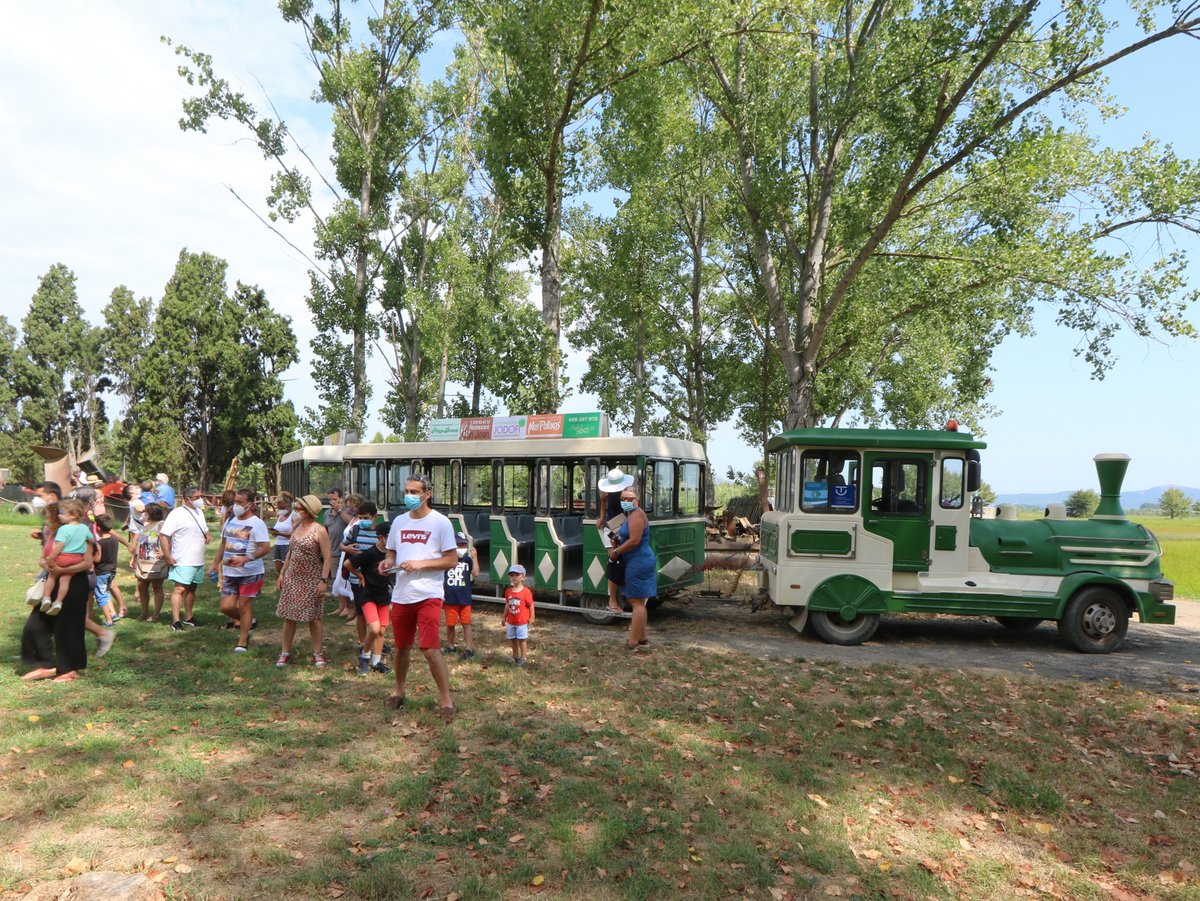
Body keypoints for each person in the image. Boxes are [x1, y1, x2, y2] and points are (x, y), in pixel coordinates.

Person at [379, 474, 458, 722]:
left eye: (415, 492)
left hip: (429, 594)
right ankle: (399, 692)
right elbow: (391, 549)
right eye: (407, 491)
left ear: (427, 494)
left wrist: (420, 564)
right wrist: (388, 561)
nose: (409, 496)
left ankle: (446, 700)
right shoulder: (400, 522)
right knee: (401, 647)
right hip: (402, 595)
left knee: (430, 648)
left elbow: (451, 560)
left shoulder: (441, 523)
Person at [274, 494, 332, 668]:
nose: (296, 510)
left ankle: (317, 653)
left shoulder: (319, 530)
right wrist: (282, 572)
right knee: (289, 615)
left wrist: (323, 580)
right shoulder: (296, 525)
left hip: (312, 578)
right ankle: (285, 652)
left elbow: (327, 558)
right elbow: (291, 551)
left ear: (308, 511)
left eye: (299, 508)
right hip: (293, 576)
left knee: (314, 617)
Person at [210, 487, 271, 652]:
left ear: (250, 504)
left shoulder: (257, 524)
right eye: (235, 501)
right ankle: (248, 622)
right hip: (230, 571)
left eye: (240, 502)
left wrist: (246, 558)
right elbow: (223, 543)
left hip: (250, 572)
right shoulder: (231, 520)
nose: (235, 505)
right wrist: (215, 564)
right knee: (226, 607)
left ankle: (242, 641)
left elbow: (266, 547)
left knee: (244, 606)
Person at [20, 550, 94, 682]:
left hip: (74, 584)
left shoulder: (81, 532)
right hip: (51, 583)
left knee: (68, 628)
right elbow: (42, 559)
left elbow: (87, 563)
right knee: (35, 625)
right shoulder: (54, 534)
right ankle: (44, 664)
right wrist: (48, 565)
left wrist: (62, 569)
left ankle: (70, 669)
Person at [607, 486, 656, 649]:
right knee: (639, 601)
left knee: (636, 602)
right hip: (638, 561)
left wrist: (616, 552)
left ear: (637, 500)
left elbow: (634, 540)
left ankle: (632, 642)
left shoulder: (636, 515)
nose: (626, 501)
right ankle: (642, 639)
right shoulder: (631, 514)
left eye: (630, 499)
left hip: (639, 561)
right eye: (623, 499)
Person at [346, 520, 393, 676]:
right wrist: (359, 575)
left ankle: (376, 661)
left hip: (383, 596)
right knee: (373, 628)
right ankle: (364, 658)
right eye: (389, 536)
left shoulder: (393, 554)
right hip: (368, 596)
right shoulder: (370, 553)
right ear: (381, 537)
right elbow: (348, 564)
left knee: (381, 631)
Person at [162, 487, 211, 631]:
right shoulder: (176, 514)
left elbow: (205, 530)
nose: (199, 499)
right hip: (182, 559)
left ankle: (189, 617)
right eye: (196, 497)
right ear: (187, 499)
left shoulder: (199, 512)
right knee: (180, 589)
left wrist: (207, 535)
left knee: (192, 588)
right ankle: (176, 621)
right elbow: (164, 535)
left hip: (197, 559)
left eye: (200, 496)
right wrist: (168, 556)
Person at [40, 498, 96, 617]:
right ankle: (58, 602)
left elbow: (60, 545)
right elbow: (92, 540)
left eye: (62, 513)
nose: (59, 515)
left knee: (52, 576)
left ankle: (46, 598)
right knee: (65, 580)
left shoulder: (63, 529)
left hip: (63, 557)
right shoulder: (84, 528)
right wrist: (94, 544)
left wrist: (51, 557)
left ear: (74, 515)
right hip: (76, 558)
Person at [596, 467, 634, 615]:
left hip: (625, 527)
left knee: (625, 558)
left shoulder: (627, 493)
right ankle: (612, 600)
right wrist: (601, 517)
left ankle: (624, 595)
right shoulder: (608, 492)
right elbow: (603, 500)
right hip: (611, 528)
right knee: (614, 559)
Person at [339, 500, 379, 620]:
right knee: (360, 605)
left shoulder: (379, 532)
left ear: (374, 517)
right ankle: (359, 620)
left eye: (366, 517)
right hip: (356, 576)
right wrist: (347, 549)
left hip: (374, 576)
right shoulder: (355, 530)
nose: (363, 521)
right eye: (360, 518)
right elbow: (342, 545)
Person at [442, 532, 479, 658]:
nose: (461, 547)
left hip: (464, 598)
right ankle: (451, 646)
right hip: (450, 598)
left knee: (466, 623)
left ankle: (469, 647)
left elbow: (476, 572)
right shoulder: (446, 561)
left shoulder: (467, 560)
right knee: (450, 624)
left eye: (463, 545)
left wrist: (474, 557)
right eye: (458, 545)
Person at [132, 503, 170, 621]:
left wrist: (164, 552)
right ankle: (144, 613)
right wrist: (133, 558)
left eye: (145, 512)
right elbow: (139, 543)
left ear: (150, 513)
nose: (144, 514)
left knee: (157, 587)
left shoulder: (161, 525)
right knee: (142, 586)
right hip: (143, 562)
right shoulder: (144, 527)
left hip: (156, 563)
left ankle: (156, 614)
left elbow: (169, 538)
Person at [92, 514, 123, 629]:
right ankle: (113, 614)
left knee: (101, 596)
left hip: (101, 573)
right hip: (111, 572)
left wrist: (91, 556)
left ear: (98, 528)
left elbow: (97, 559)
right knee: (106, 593)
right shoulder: (114, 539)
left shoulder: (99, 543)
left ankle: (108, 620)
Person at [503, 564, 535, 666]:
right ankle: (515, 656)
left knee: (522, 640)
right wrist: (504, 617)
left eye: (517, 574)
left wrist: (532, 617)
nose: (514, 577)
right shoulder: (509, 591)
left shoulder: (526, 592)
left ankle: (524, 657)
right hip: (511, 621)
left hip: (521, 622)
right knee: (513, 639)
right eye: (511, 575)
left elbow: (531, 605)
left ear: (523, 577)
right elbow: (507, 605)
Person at [270, 493, 297, 578]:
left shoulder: (294, 516)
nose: (278, 507)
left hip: (288, 545)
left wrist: (279, 533)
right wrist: (274, 533)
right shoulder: (280, 516)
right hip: (277, 545)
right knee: (279, 569)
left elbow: (294, 534)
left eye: (280, 505)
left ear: (287, 504)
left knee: (288, 569)